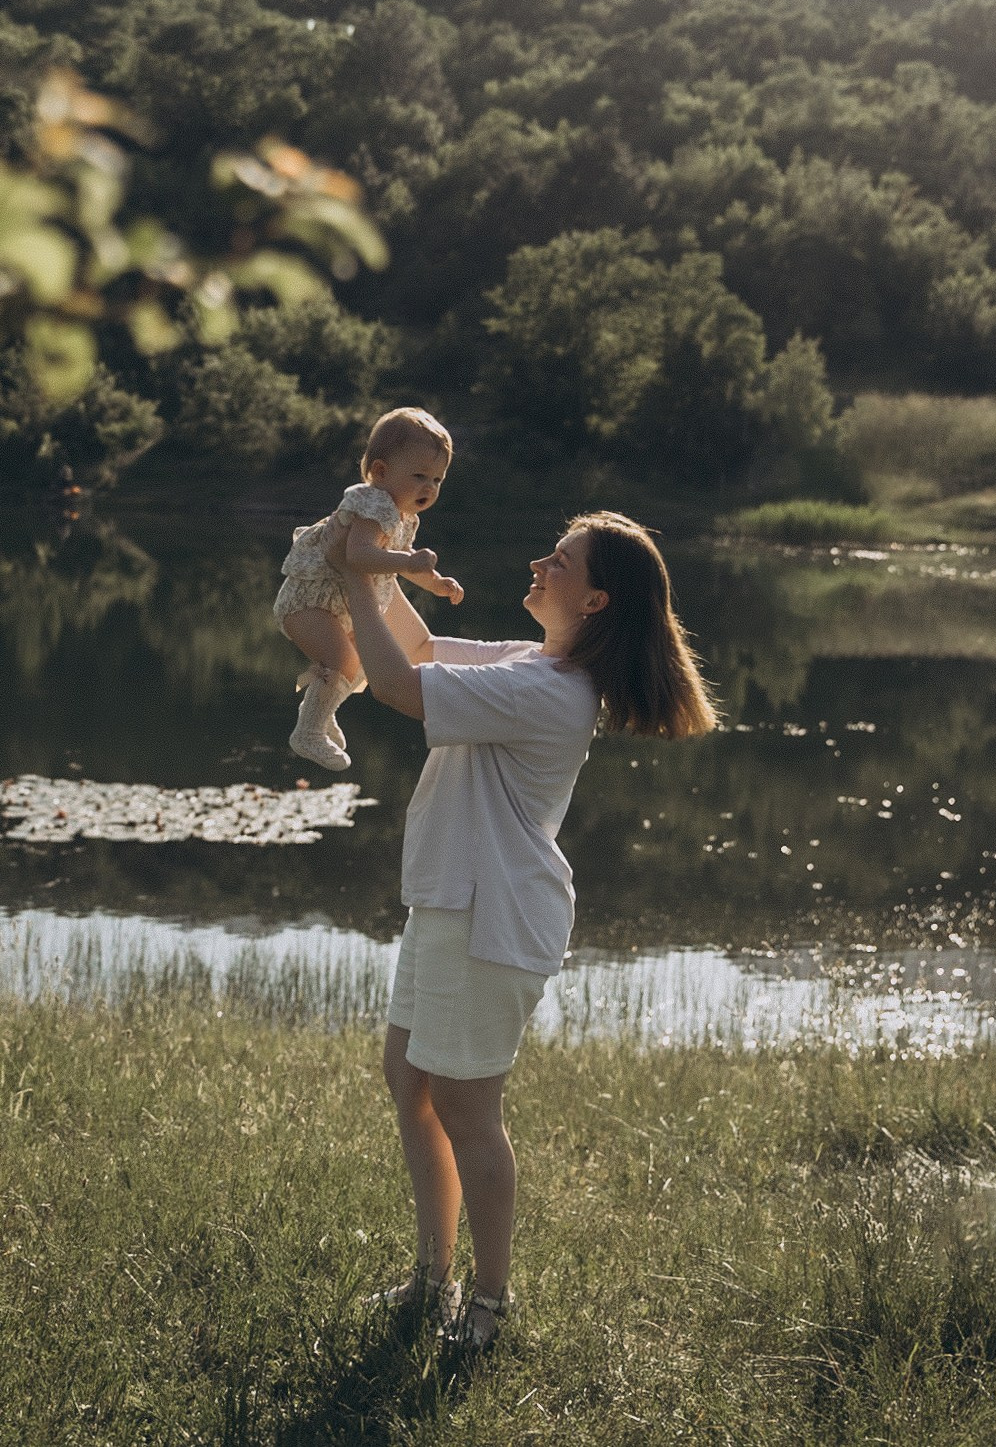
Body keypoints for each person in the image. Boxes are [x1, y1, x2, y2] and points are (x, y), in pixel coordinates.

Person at [335, 510, 718, 1350]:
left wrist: (354, 574)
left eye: (562, 559)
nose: (541, 563)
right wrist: (374, 564)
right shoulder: (532, 662)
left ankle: (490, 1304)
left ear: (595, 597)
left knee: (468, 1106)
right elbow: (422, 649)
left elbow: (400, 687)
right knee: (410, 1077)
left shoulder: (549, 691)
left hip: (492, 919)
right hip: (453, 902)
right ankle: (433, 1279)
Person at [273, 407, 465, 770]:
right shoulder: (373, 503)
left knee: (364, 664)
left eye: (438, 480)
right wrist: (408, 564)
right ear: (380, 472)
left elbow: (397, 555)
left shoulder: (404, 515)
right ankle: (307, 731)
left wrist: (435, 582)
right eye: (420, 476)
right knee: (343, 661)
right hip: (309, 603)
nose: (429, 488)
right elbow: (359, 555)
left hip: (338, 604)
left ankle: (320, 711)